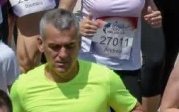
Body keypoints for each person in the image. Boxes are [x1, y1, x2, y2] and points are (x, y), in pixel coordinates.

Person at [9, 7, 140, 112]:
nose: (63, 54)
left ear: (80, 42)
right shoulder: (22, 88)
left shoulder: (105, 78)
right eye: (55, 47)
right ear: (40, 45)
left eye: (70, 46)